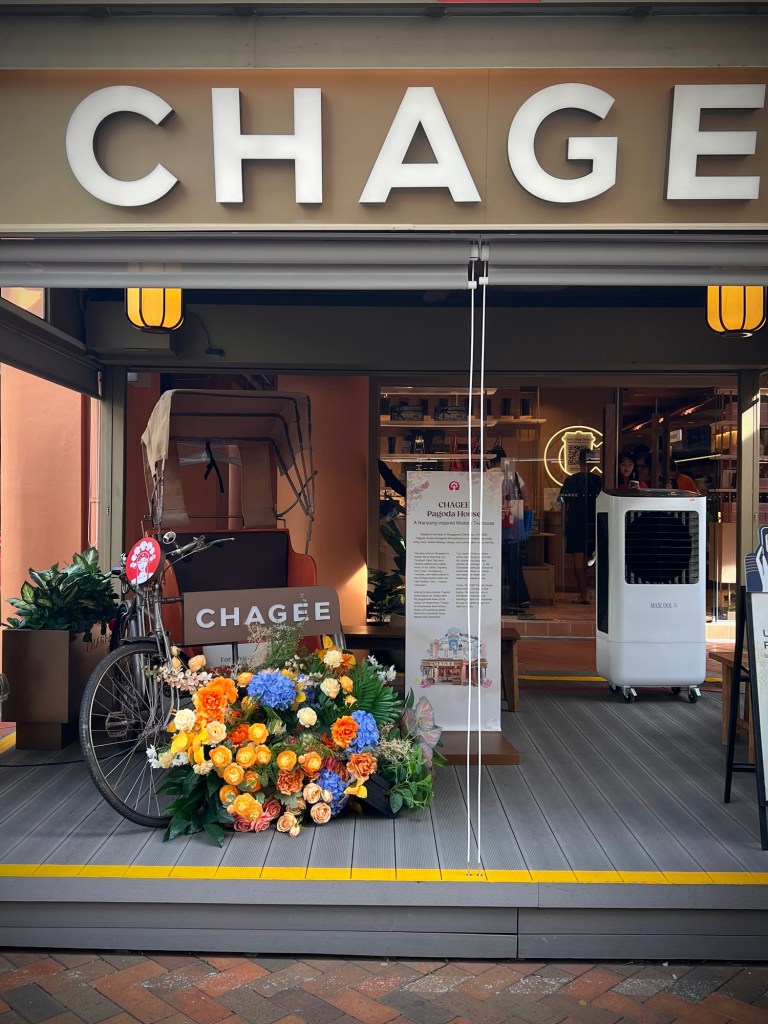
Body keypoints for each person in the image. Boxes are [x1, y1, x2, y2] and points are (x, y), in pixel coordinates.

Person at [489, 446, 532, 616]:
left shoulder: (487, 475)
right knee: (514, 565)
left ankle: (492, 599)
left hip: (493, 528)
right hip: (512, 526)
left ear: (490, 460)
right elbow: (527, 496)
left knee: (491, 565)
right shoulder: (514, 475)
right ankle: (521, 598)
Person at [558, 447, 602, 604]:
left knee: (578, 558)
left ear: (578, 461)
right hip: (594, 523)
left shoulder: (571, 480)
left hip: (575, 522)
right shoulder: (599, 481)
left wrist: (563, 525)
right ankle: (596, 592)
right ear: (594, 463)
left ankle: (583, 594)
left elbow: (563, 505)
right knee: (596, 558)